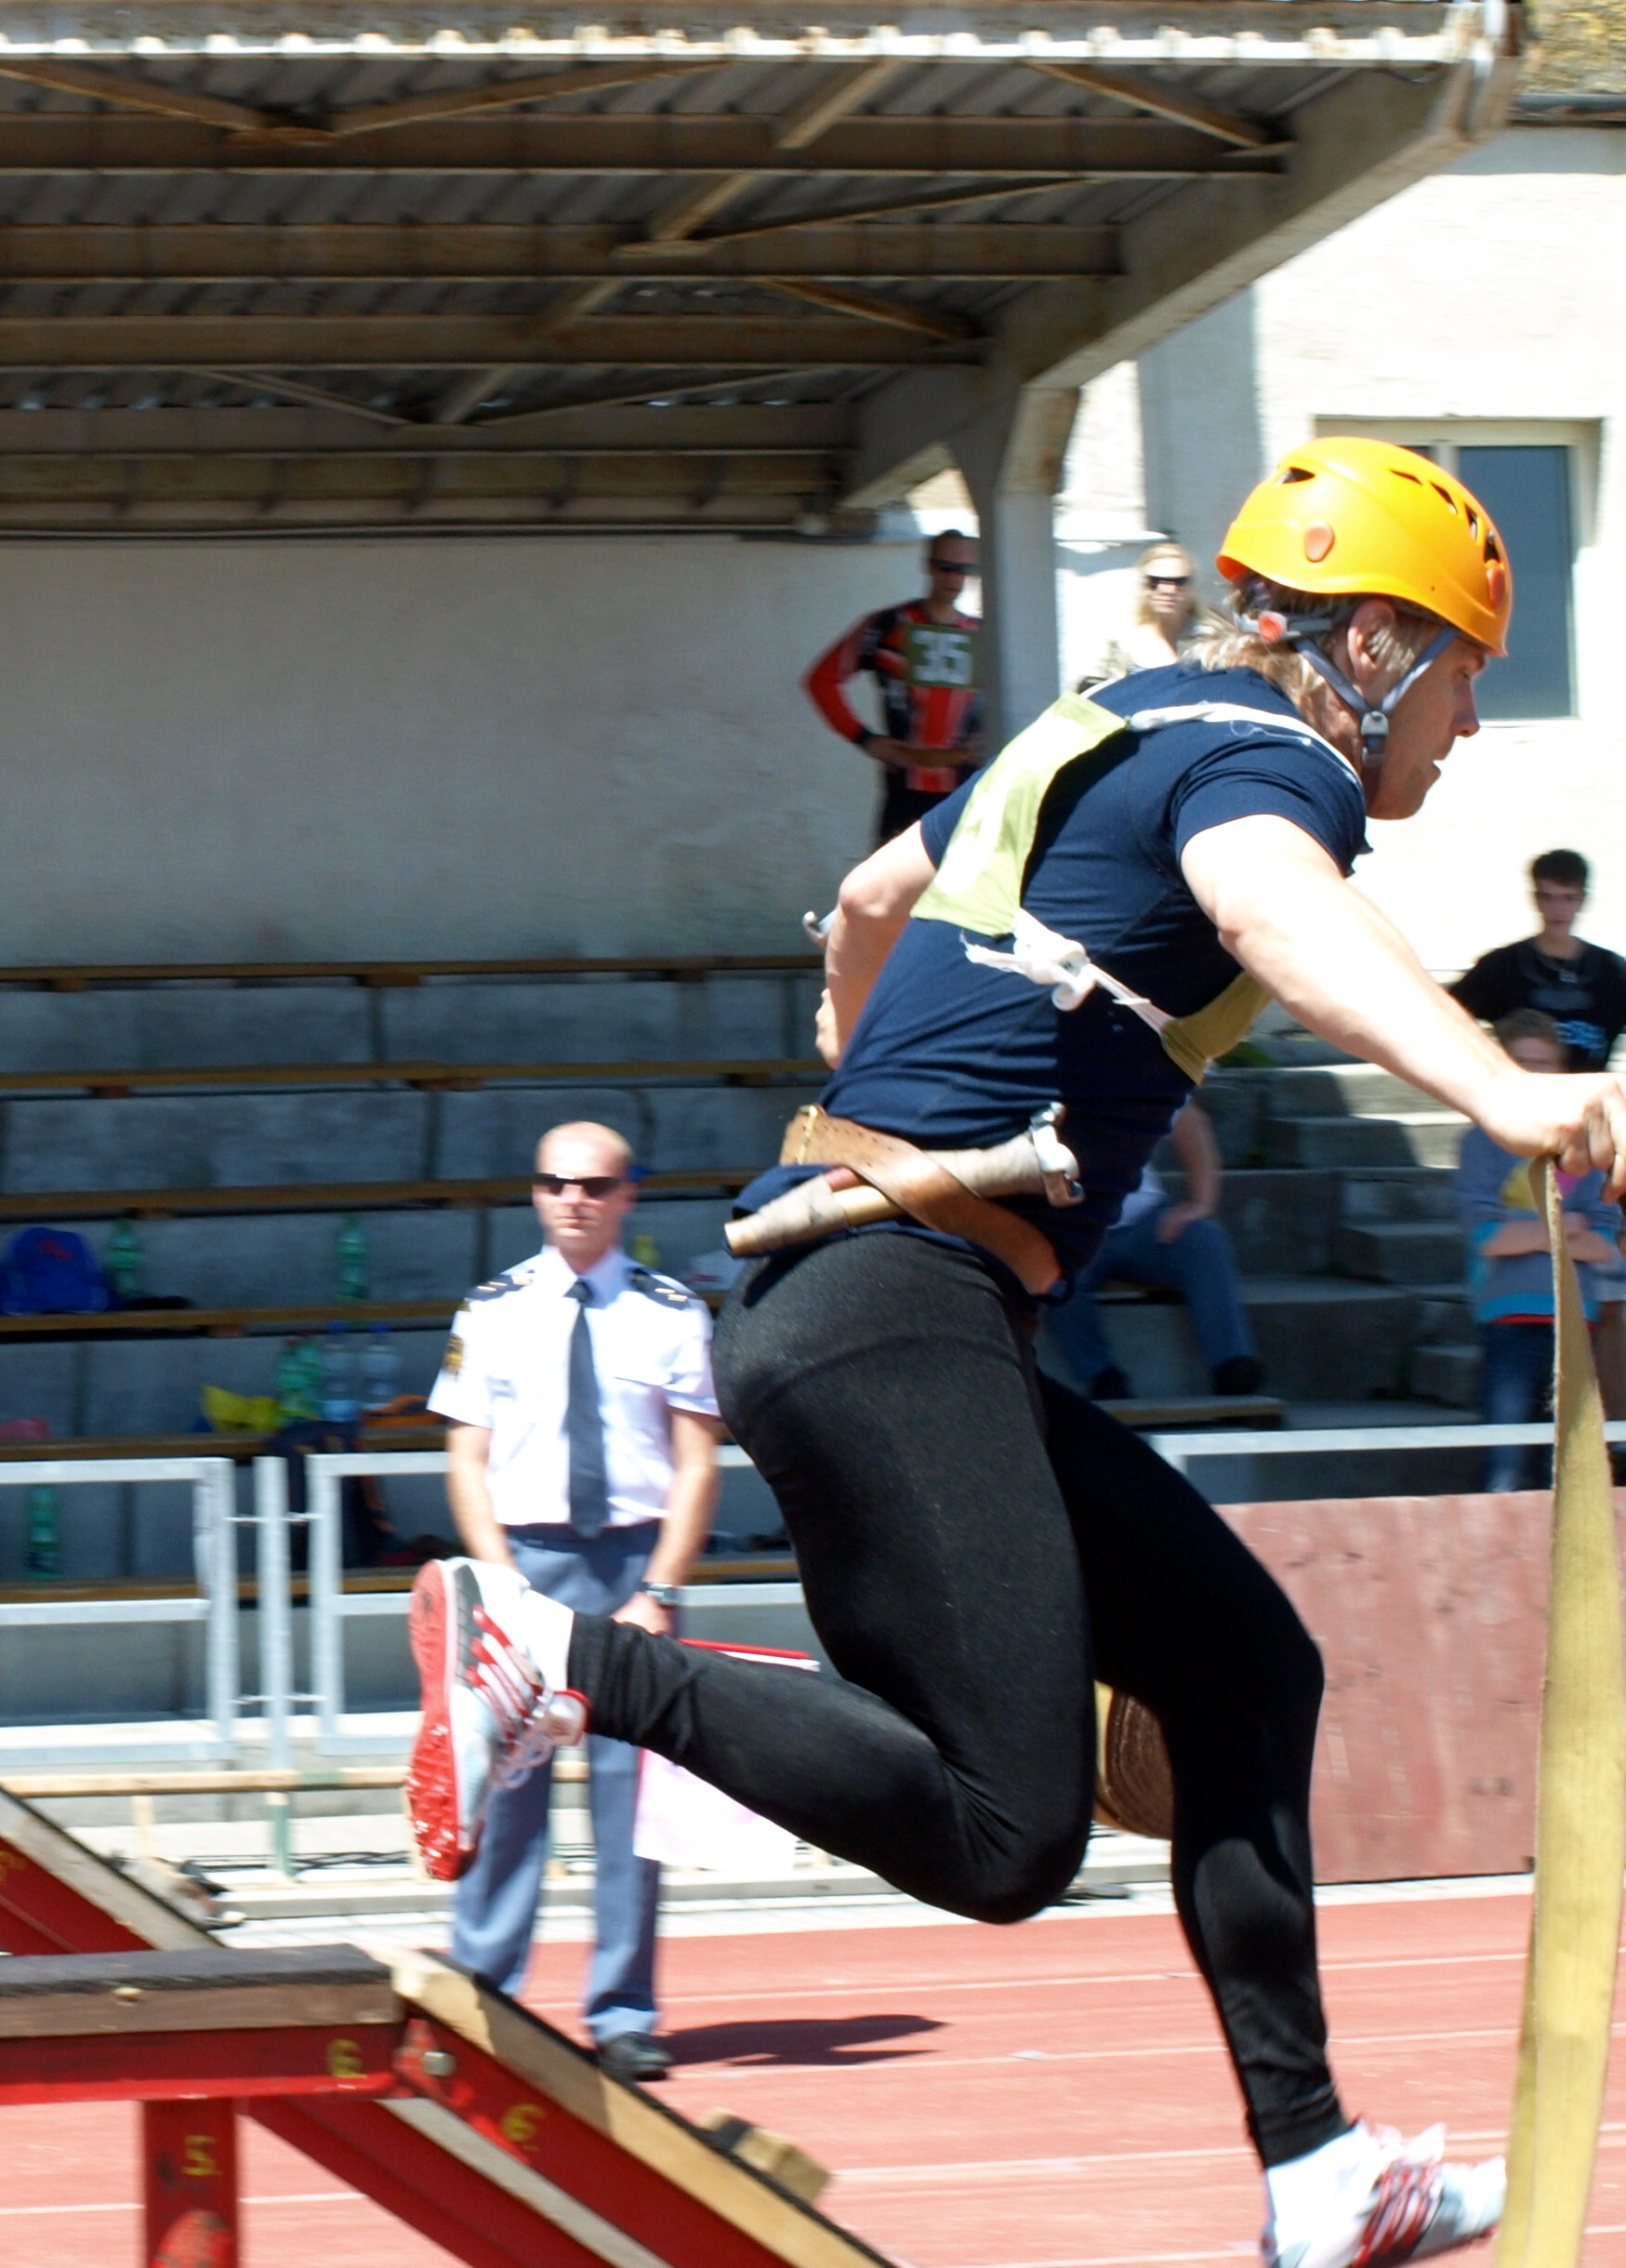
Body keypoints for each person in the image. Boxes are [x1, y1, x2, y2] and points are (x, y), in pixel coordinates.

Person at [410, 437, 1581, 2268]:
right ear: (1367, 646)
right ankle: (554, 1651)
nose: (1467, 725)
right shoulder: (1265, 758)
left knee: (1242, 1668)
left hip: (888, 1304)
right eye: (1460, 676)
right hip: (891, 1308)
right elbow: (1270, 904)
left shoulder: (1103, 725)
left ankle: (1314, 2168)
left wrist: (854, 1069)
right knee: (1002, 1833)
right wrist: (1499, 1087)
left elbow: (873, 890)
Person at [429, 1120, 718, 2083]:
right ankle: (483, 1995)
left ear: (627, 1194)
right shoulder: (490, 1310)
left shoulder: (671, 1312)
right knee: (503, 1791)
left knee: (631, 1807)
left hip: (631, 1569)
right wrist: (497, 1583)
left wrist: (660, 1590)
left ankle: (623, 2012)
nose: (573, 1200)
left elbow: (695, 1463)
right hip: (526, 1566)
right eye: (554, 1183)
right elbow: (465, 1461)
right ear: (534, 1192)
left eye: (593, 1185)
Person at [1458, 1011, 1622, 1491]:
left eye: (1544, 1062)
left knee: (1569, 1469)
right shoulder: (1480, 1143)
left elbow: (1603, 1247)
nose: (1534, 1073)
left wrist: (1526, 1230)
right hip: (1507, 1320)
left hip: (1576, 1322)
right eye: (1521, 1062)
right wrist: (1566, 1225)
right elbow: (1489, 1239)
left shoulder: (1586, 1148)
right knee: (1504, 1466)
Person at [1041, 1099, 1265, 1402]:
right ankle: (1101, 1375)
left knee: (1204, 1239)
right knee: (1052, 1276)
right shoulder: (1030, 1085)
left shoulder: (1132, 1075)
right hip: (1072, 1233)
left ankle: (1231, 1364)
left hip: (1147, 1222)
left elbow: (1191, 1122)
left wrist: (1201, 1203)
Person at [804, 530, 987, 844]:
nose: (954, 577)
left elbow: (1019, 695)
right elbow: (821, 680)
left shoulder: (985, 634)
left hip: (969, 792)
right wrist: (864, 739)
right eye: (945, 566)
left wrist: (995, 737)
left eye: (964, 569)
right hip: (904, 792)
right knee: (892, 878)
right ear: (927, 566)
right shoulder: (886, 626)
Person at [1450, 851, 1626, 1073]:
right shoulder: (1501, 967)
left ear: (1582, 901)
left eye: (1568, 898)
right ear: (1535, 899)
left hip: (1589, 1092)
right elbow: (1444, 1019)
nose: (1558, 909)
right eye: (1548, 897)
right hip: (1518, 1091)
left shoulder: (1612, 972)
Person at [1078, 541, 1223, 693]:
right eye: (1155, 581)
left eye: (1178, 582)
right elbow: (1090, 697)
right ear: (1144, 586)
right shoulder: (1122, 644)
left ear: (1190, 587)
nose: (1167, 590)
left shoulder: (1213, 643)